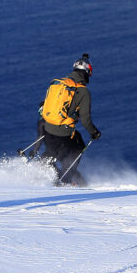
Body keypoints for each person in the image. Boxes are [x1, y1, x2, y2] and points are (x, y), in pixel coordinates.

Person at [40, 54, 100, 185]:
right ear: (87, 73)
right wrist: (94, 133)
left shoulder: (59, 83)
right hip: (63, 133)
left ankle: (45, 166)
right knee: (77, 149)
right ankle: (65, 180)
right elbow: (86, 120)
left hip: (47, 128)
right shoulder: (83, 92)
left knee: (52, 150)